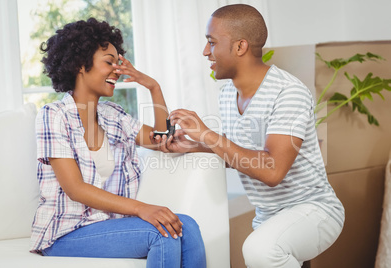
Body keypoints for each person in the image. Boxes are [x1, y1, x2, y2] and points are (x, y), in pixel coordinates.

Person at [161, 4, 345, 268]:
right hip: (268, 217)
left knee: (260, 249)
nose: (205, 52)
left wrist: (207, 134)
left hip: (314, 210)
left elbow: (272, 171)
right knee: (263, 248)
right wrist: (194, 145)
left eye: (211, 43)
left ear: (240, 47)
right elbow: (241, 154)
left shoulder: (288, 92)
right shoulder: (227, 95)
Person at [29, 18, 206, 268]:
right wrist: (142, 208)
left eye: (118, 62)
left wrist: (152, 86)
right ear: (81, 64)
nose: (117, 70)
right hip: (65, 232)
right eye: (109, 62)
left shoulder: (114, 116)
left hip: (106, 226)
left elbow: (162, 139)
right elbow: (75, 188)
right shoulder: (53, 115)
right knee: (161, 232)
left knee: (187, 225)